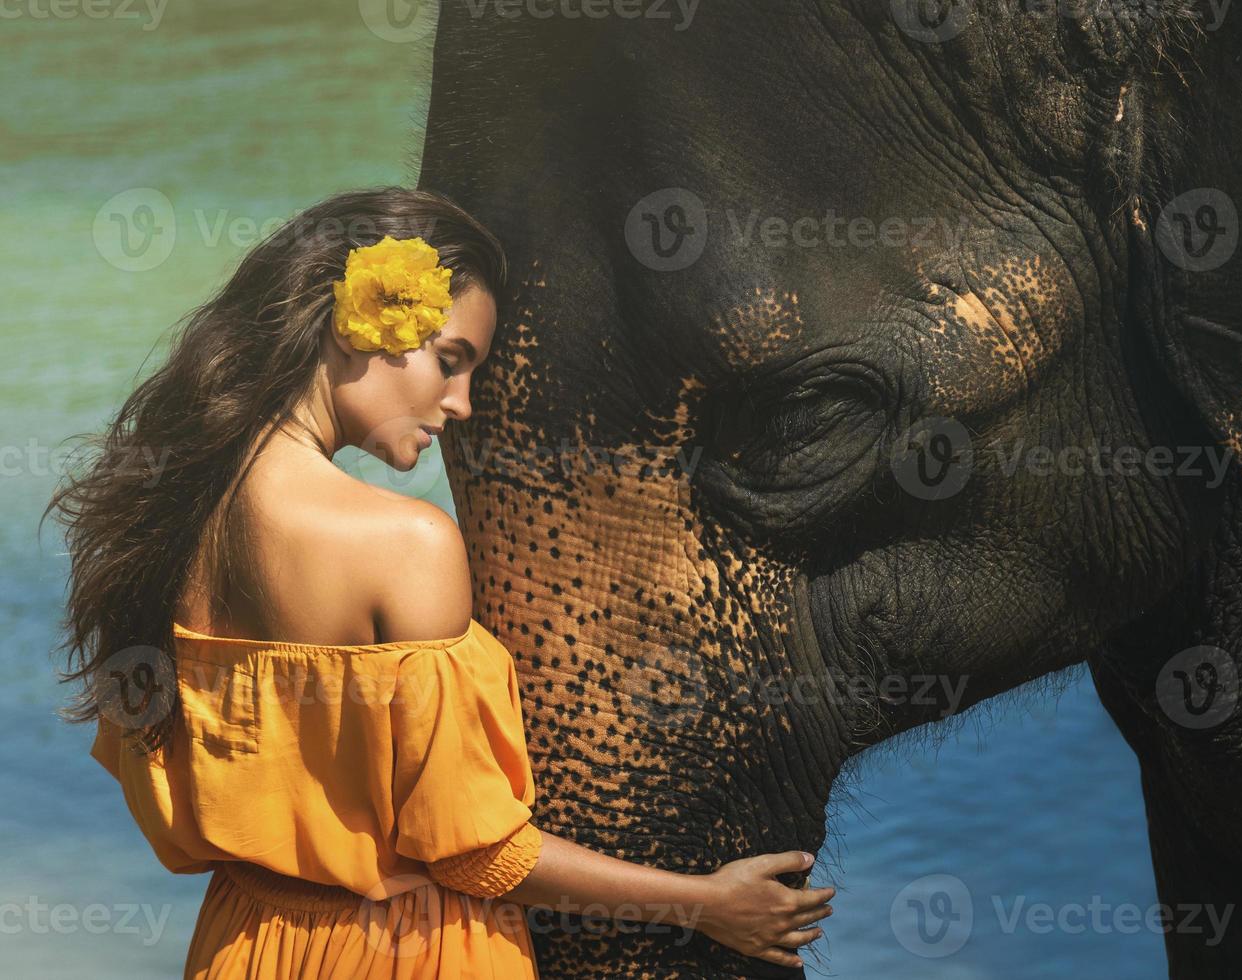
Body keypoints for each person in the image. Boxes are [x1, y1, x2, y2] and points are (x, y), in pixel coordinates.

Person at [48, 186, 835, 978]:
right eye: (450, 361)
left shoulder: (161, 521)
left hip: (242, 945)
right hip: (410, 953)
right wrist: (705, 903)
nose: (459, 404)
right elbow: (474, 855)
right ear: (357, 320)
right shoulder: (407, 544)